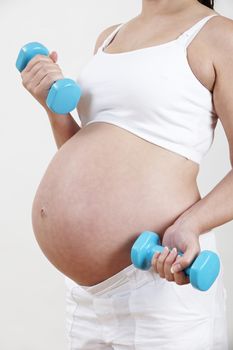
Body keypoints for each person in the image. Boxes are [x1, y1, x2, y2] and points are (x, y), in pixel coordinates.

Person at [20, 0, 231, 348]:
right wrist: (51, 106)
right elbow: (89, 156)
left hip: (159, 283)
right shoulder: (109, 37)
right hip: (87, 298)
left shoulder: (218, 35)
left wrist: (190, 224)